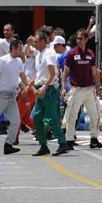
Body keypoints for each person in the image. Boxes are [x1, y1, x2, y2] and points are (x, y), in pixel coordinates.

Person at [61, 29, 102, 150]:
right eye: (77, 39)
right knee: (72, 115)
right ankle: (69, 140)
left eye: (80, 39)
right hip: (76, 89)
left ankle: (94, 139)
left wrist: (99, 86)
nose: (78, 41)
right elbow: (65, 72)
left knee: (95, 114)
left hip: (90, 89)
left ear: (86, 39)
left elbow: (94, 71)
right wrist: (63, 88)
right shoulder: (71, 53)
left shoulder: (90, 53)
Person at [30, 29, 70, 157]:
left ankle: (62, 143)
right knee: (37, 118)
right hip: (41, 88)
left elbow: (52, 73)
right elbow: (40, 73)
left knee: (53, 118)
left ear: (43, 41)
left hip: (49, 90)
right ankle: (43, 145)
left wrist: (45, 87)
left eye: (36, 41)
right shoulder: (39, 54)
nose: (34, 44)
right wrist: (31, 84)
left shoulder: (49, 54)